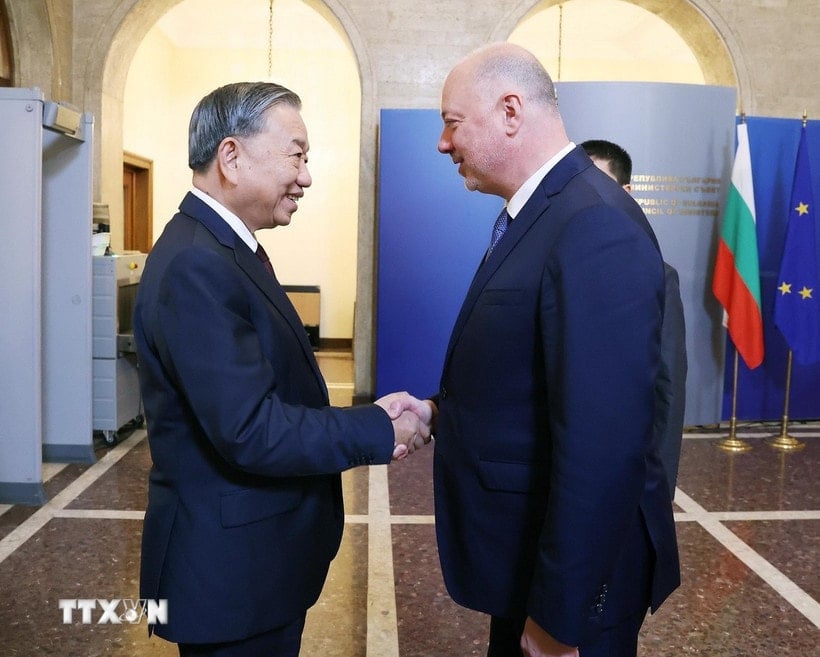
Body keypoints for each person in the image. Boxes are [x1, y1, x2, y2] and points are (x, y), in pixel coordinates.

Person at [133, 81, 430, 657]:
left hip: (254, 567)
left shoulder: (221, 249)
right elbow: (251, 429)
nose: (306, 177)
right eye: (297, 155)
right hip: (228, 578)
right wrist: (376, 426)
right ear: (231, 156)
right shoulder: (197, 262)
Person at [428, 43, 680, 657]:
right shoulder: (545, 213)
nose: (443, 143)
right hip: (528, 562)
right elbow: (531, 379)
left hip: (572, 593)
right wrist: (438, 411)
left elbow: (604, 441)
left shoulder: (592, 222)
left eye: (453, 123)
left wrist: (560, 618)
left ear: (510, 111)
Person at [581, 139, 688, 497]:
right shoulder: (545, 265)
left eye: (598, 185)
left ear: (625, 193)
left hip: (621, 467)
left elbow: (667, 387)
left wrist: (660, 486)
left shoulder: (658, 276)